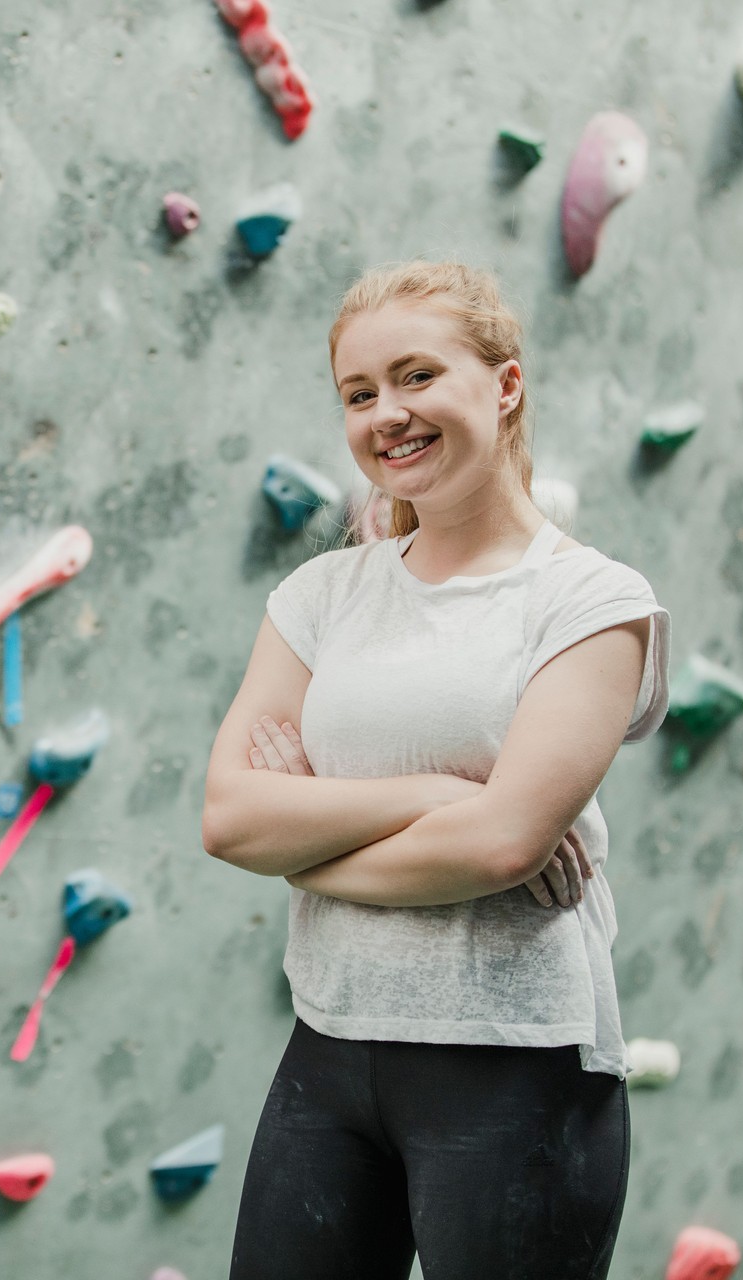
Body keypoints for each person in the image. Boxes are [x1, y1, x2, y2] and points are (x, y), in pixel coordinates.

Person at [199, 259, 671, 1280]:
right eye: (360, 393)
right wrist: (433, 798)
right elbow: (231, 816)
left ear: (504, 385)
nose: (388, 414)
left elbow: (505, 841)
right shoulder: (321, 593)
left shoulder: (591, 601)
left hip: (517, 1065)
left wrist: (309, 840)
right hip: (328, 1045)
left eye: (417, 376)